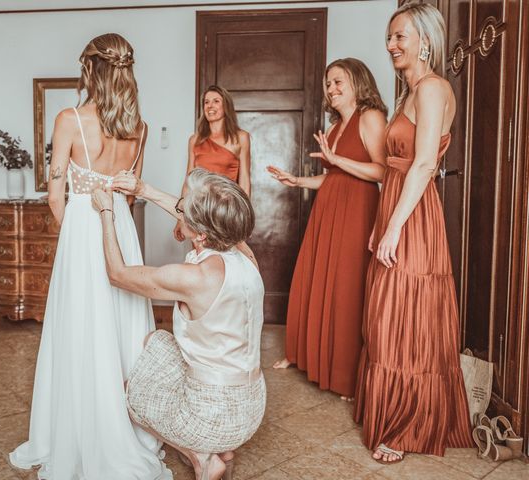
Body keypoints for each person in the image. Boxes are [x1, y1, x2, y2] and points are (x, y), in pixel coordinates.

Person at [9, 34, 170, 479]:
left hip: (83, 231)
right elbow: (132, 196)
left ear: (89, 71)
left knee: (81, 328)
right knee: (121, 327)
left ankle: (82, 432)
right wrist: (109, 222)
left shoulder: (69, 119)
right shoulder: (140, 127)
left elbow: (55, 196)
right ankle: (132, 429)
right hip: (120, 228)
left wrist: (77, 241)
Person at [353, 3, 473, 463]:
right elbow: (395, 167)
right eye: (389, 37)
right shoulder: (407, 93)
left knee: (409, 320)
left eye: (400, 36)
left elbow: (424, 164)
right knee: (385, 318)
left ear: (425, 39)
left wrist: (394, 228)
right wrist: (384, 224)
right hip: (398, 207)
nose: (391, 45)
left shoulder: (433, 88)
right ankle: (389, 411)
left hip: (415, 215)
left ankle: (406, 425)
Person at [92, 168, 266, 480]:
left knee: (128, 395)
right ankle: (224, 449)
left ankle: (202, 455)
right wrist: (144, 189)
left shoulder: (194, 278)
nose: (179, 206)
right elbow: (197, 215)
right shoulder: (246, 256)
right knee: (157, 342)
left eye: (183, 207)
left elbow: (117, 274)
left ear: (199, 233)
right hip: (252, 407)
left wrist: (106, 211)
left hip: (210, 417)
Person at [269, 58, 387, 401]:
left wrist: (337, 160)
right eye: (328, 84)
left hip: (357, 210)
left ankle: (344, 374)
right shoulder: (335, 126)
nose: (331, 89)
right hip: (329, 209)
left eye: (338, 82)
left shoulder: (370, 117)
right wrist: (297, 181)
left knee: (346, 287)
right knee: (315, 277)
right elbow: (332, 177)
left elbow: (381, 172)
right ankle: (305, 356)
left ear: (358, 82)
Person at [173, 85, 251, 241]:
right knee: (202, 259)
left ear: (226, 106)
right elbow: (188, 182)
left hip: (226, 210)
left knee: (225, 257)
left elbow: (245, 180)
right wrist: (179, 219)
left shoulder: (241, 137)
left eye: (216, 101)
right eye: (206, 102)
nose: (210, 106)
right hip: (199, 210)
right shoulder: (194, 140)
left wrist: (244, 217)